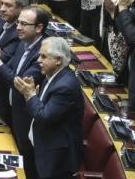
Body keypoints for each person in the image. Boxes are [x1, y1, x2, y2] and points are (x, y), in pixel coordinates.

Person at [0, 5, 48, 178]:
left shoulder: (43, 54)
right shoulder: (24, 43)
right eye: (18, 23)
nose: (18, 27)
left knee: (27, 164)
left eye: (24, 24)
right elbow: (8, 70)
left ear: (39, 28)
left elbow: (20, 83)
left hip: (27, 118)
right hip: (12, 111)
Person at [14, 37, 84, 179]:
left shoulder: (65, 86)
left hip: (55, 159)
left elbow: (44, 117)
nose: (38, 60)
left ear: (58, 60)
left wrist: (30, 95)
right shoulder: (52, 76)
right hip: (42, 146)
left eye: (44, 56)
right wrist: (33, 96)